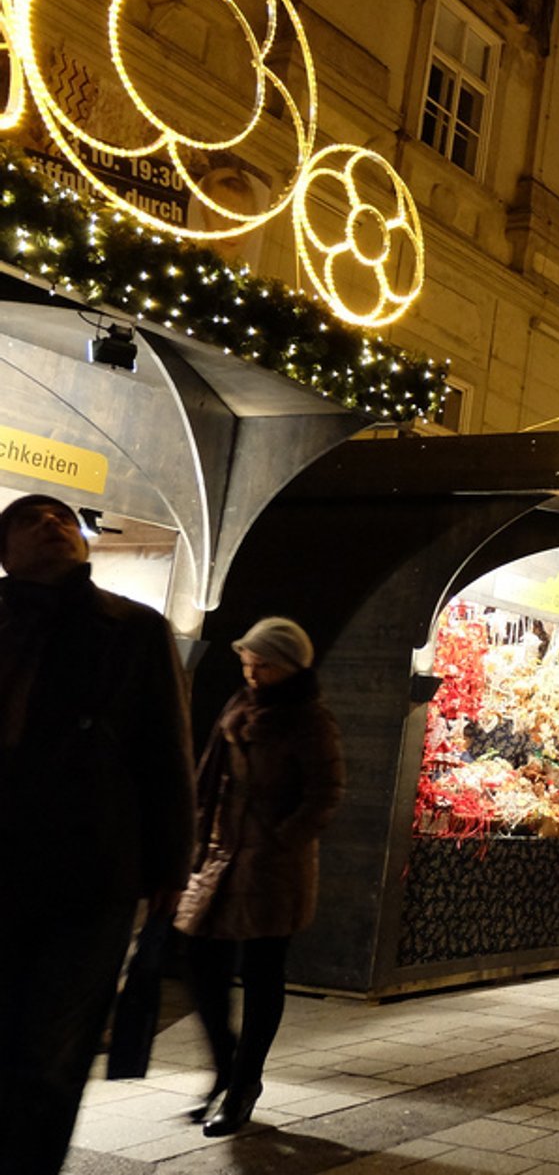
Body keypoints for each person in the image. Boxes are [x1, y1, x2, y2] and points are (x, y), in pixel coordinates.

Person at [0, 494, 195, 1172]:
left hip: (87, 871)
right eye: (30, 518)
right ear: (5, 550)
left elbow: (166, 749)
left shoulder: (133, 628)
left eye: (64, 518)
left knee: (48, 1054)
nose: (52, 524)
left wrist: (172, 862)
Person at [174, 616, 344, 1137]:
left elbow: (325, 794)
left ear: (289, 666)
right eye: (248, 662)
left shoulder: (310, 721)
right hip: (222, 856)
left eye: (263, 664)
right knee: (199, 963)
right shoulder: (239, 706)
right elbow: (208, 774)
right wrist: (198, 838)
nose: (251, 673)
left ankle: (244, 1086)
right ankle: (225, 1066)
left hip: (273, 866)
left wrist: (280, 839)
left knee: (263, 973)